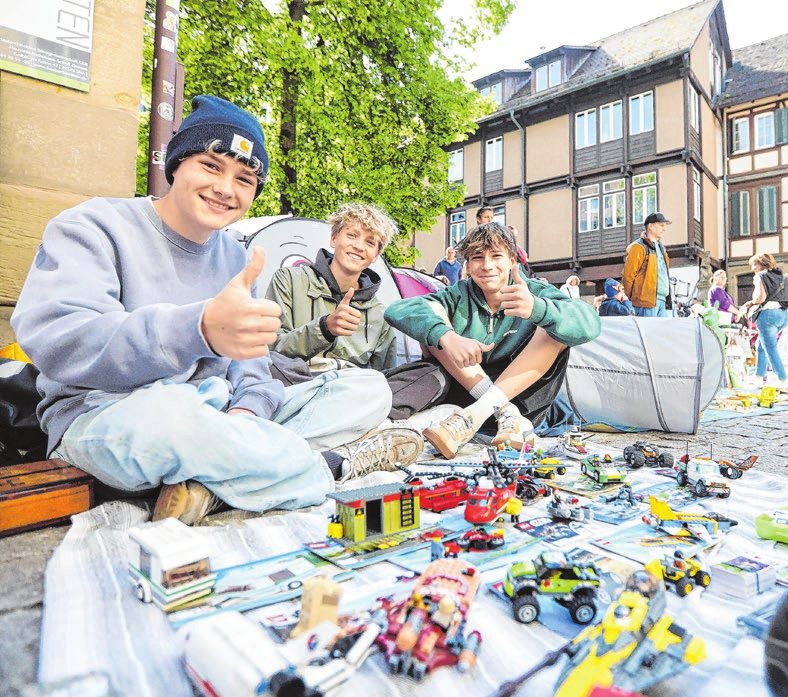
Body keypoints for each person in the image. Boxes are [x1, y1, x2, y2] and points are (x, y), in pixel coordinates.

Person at [11, 95, 423, 525]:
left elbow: (255, 370)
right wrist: (199, 328)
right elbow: (60, 340)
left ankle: (215, 480)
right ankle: (332, 467)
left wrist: (246, 414)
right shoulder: (94, 226)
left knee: (369, 389)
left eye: (245, 178)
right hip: (110, 413)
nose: (225, 188)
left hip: (216, 413)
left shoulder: (235, 256)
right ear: (177, 165)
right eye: (211, 166)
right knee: (172, 419)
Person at [384, 222, 601, 459]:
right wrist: (447, 336)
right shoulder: (458, 294)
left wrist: (538, 309)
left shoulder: (533, 291)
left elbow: (590, 324)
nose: (487, 266)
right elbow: (398, 310)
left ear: (511, 262)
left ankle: (483, 413)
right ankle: (502, 413)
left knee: (554, 328)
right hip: (466, 392)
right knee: (434, 318)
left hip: (524, 399)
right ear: (467, 265)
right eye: (478, 257)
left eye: (496, 256)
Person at [265, 203, 399, 373]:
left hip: (352, 390)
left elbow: (386, 377)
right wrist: (324, 328)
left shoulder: (380, 315)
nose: (359, 246)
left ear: (376, 256)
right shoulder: (289, 280)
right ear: (334, 238)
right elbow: (271, 348)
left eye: (370, 242)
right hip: (296, 380)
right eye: (352, 235)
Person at [741, 252, 788, 387]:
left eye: (754, 264)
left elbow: (760, 298)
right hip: (783, 315)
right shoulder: (782, 277)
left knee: (770, 348)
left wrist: (751, 303)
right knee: (761, 345)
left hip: (768, 315)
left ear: (761, 264)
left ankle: (782, 379)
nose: (753, 268)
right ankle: (758, 376)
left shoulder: (760, 276)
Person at [622, 212, 674, 317]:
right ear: (650, 226)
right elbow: (628, 276)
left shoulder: (661, 248)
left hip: (662, 300)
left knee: (660, 333)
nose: (664, 229)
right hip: (645, 302)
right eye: (661, 225)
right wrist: (628, 302)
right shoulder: (638, 247)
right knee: (649, 332)